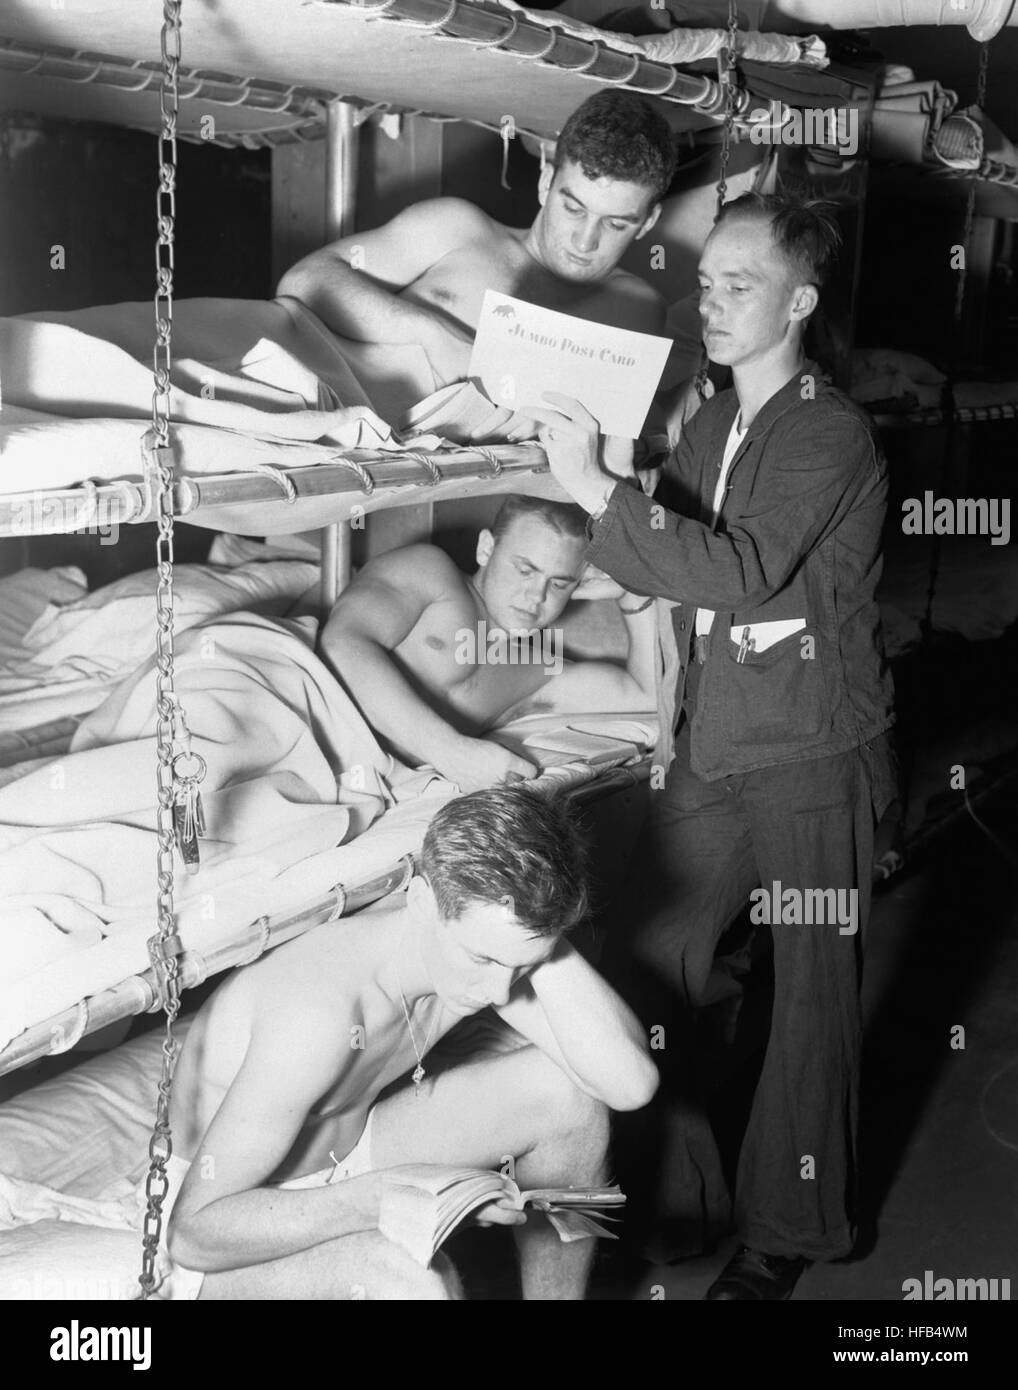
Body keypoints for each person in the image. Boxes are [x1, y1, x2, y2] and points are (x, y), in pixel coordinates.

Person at [529, 193, 898, 1300]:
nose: (713, 301)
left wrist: (600, 489)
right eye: (705, 283)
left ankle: (789, 1229)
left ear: (800, 300)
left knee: (811, 997)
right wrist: (569, 462)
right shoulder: (704, 423)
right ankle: (681, 1193)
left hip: (813, 751)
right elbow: (660, 562)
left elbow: (736, 571)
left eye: (740, 284)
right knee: (646, 950)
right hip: (715, 744)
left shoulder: (827, 430)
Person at [158, 785, 659, 1301]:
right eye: (485, 960)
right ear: (421, 900)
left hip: (346, 1156)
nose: (498, 993)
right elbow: (191, 1236)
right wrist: (381, 1200)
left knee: (571, 1099)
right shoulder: (316, 1014)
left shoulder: (477, 947)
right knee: (420, 1282)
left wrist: (535, 930)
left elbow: (630, 1085)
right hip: (229, 1229)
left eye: (524, 966)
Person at [276, 89, 677, 462]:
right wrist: (432, 335)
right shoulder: (458, 229)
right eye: (573, 209)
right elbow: (306, 278)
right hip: (303, 395)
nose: (586, 241)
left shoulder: (636, 310)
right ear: (544, 183)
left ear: (647, 222)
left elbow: (633, 443)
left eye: (616, 224)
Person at [319, 493, 658, 793]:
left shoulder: (535, 670)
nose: (535, 596)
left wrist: (632, 591)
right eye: (525, 569)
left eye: (558, 584)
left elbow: (648, 694)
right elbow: (343, 642)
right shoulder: (431, 573)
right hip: (301, 704)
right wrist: (450, 751)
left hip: (339, 772)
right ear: (486, 549)